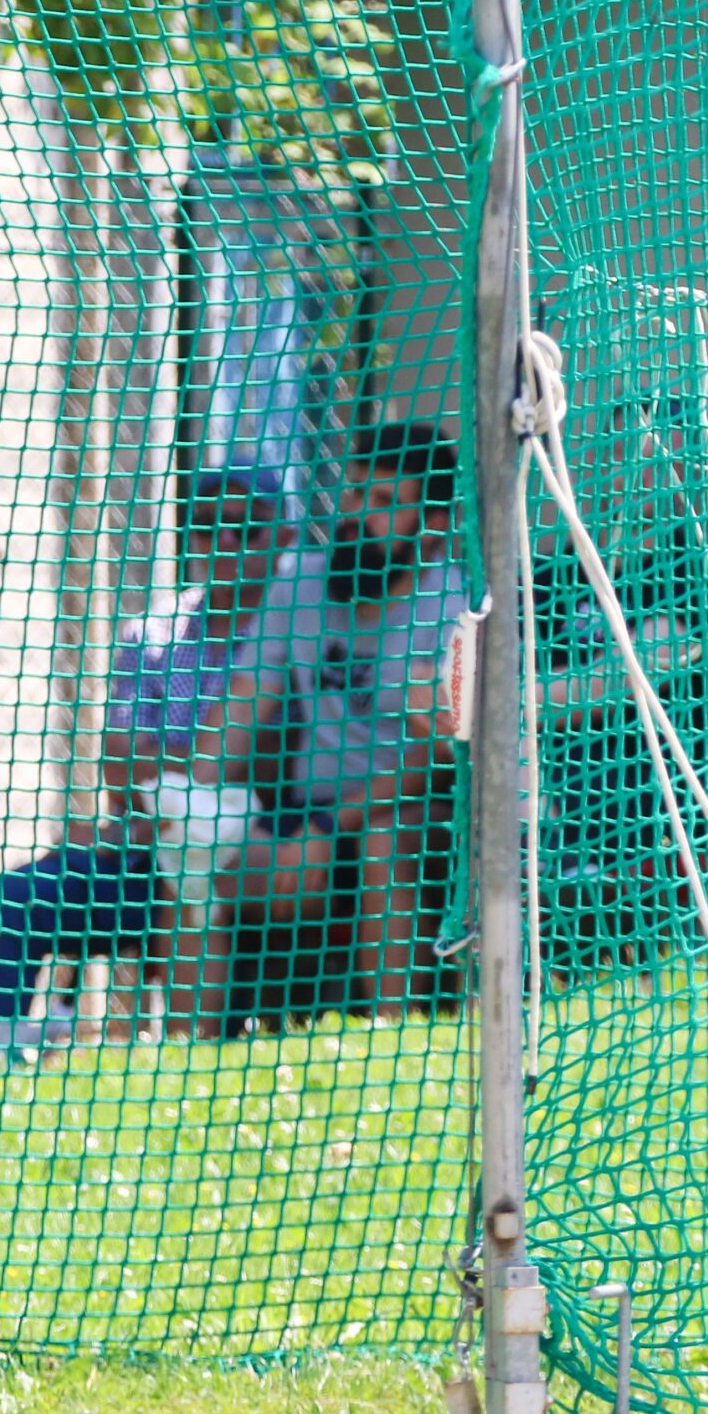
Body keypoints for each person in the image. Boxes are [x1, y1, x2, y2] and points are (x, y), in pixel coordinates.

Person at [0, 464, 299, 1066]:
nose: (225, 542)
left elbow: (278, 769)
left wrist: (175, 778)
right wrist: (192, 782)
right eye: (208, 526)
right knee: (19, 895)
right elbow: (119, 764)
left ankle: (202, 1057)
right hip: (148, 850)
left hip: (263, 850)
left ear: (284, 536)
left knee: (211, 875)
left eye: (245, 527)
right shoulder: (155, 635)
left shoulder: (305, 628)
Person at [199, 420, 473, 1016]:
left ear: (431, 527)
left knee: (384, 840)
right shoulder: (298, 584)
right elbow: (242, 706)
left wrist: (327, 827)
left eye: (384, 501)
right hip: (306, 812)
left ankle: (392, 1031)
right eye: (355, 492)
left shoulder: (457, 605)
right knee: (199, 855)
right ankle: (181, 1048)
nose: (357, 513)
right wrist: (190, 801)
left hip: (418, 811)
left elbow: (442, 757)